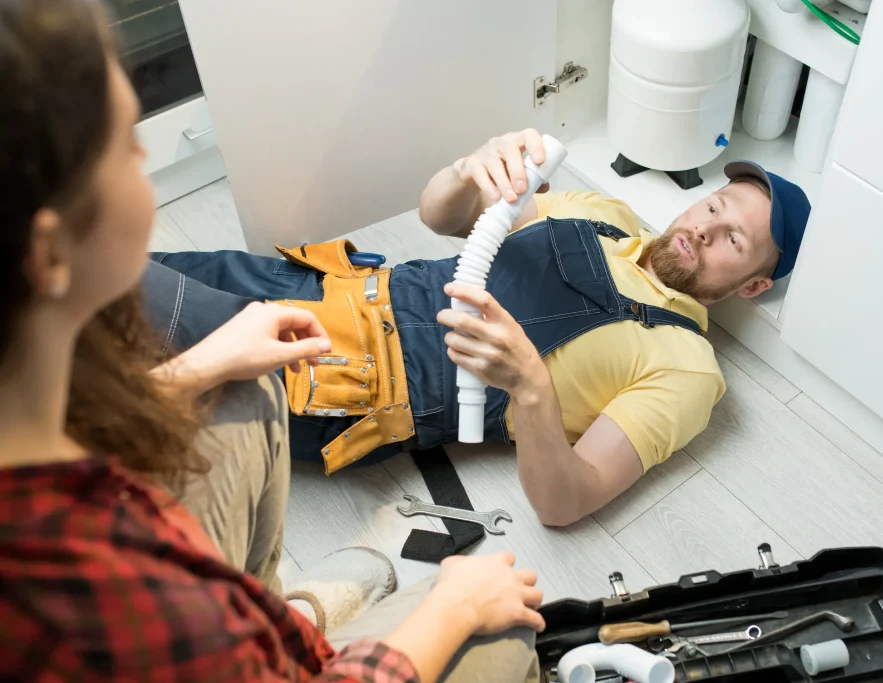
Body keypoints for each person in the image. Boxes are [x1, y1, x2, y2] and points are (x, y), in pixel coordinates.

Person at [0, 2, 546, 681]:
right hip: (227, 650)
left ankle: (283, 612)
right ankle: (290, 626)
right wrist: (456, 608)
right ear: (50, 250)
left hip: (219, 620)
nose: (145, 155)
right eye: (123, 146)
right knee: (507, 640)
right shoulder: (129, 605)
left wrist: (203, 363)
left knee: (246, 383)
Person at [146, 130, 811, 528]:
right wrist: (467, 169)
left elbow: (567, 500)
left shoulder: (688, 369)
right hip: (326, 285)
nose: (704, 228)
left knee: (111, 339)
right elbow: (444, 218)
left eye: (734, 240)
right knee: (104, 274)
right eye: (715, 206)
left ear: (751, 286)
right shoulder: (602, 211)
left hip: (345, 375)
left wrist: (531, 387)